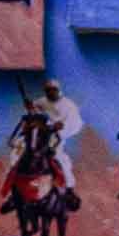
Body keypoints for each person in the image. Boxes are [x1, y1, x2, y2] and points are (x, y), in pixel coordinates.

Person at [36, 79, 83, 209]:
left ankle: (69, 189)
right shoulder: (42, 101)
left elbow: (75, 123)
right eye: (48, 91)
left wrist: (61, 126)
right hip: (41, 135)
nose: (51, 93)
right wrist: (29, 107)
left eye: (53, 90)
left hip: (58, 137)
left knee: (62, 160)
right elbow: (35, 109)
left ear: (58, 90)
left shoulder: (68, 105)